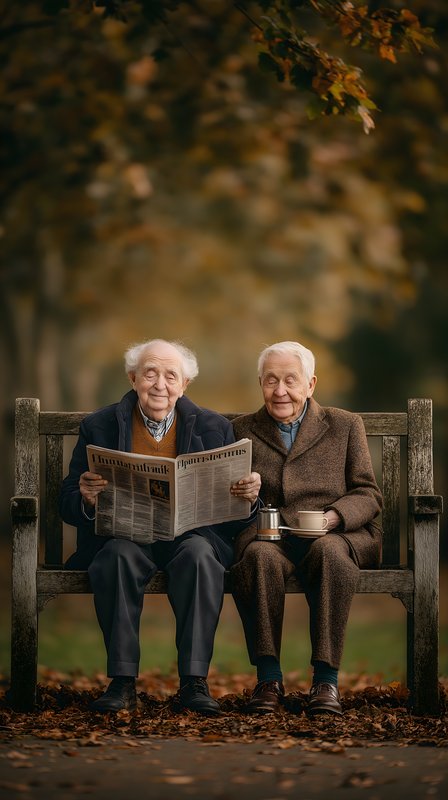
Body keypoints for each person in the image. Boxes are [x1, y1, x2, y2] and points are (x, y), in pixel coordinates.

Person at [60, 339, 260, 715]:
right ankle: (122, 682)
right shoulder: (99, 425)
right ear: (133, 378)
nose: (160, 384)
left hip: (189, 537)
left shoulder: (216, 427)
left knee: (202, 557)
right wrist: (85, 497)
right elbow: (67, 500)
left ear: (184, 385)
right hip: (125, 536)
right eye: (150, 373)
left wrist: (248, 497)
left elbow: (238, 515)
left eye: (171, 375)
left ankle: (194, 682)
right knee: (116, 557)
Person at [231, 341, 382, 716]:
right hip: (273, 537)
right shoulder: (240, 429)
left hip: (337, 535)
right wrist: (244, 495)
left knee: (329, 553)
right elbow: (226, 503)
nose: (279, 391)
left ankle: (326, 681)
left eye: (290, 380)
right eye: (270, 381)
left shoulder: (345, 424)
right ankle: (268, 679)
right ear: (260, 383)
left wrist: (332, 518)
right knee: (257, 557)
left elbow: (367, 493)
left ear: (311, 384)